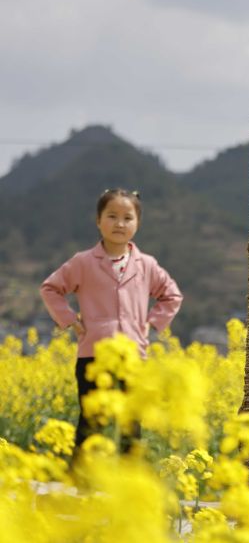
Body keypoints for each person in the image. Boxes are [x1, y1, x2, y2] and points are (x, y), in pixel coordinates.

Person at [39, 188, 183, 454]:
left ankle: (127, 479)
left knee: (130, 427)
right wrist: (70, 321)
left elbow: (172, 295)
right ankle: (83, 477)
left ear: (138, 223)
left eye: (128, 218)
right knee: (90, 425)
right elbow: (50, 288)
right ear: (98, 221)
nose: (120, 224)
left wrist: (150, 324)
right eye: (112, 216)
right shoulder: (83, 262)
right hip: (93, 355)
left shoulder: (147, 264)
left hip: (133, 356)